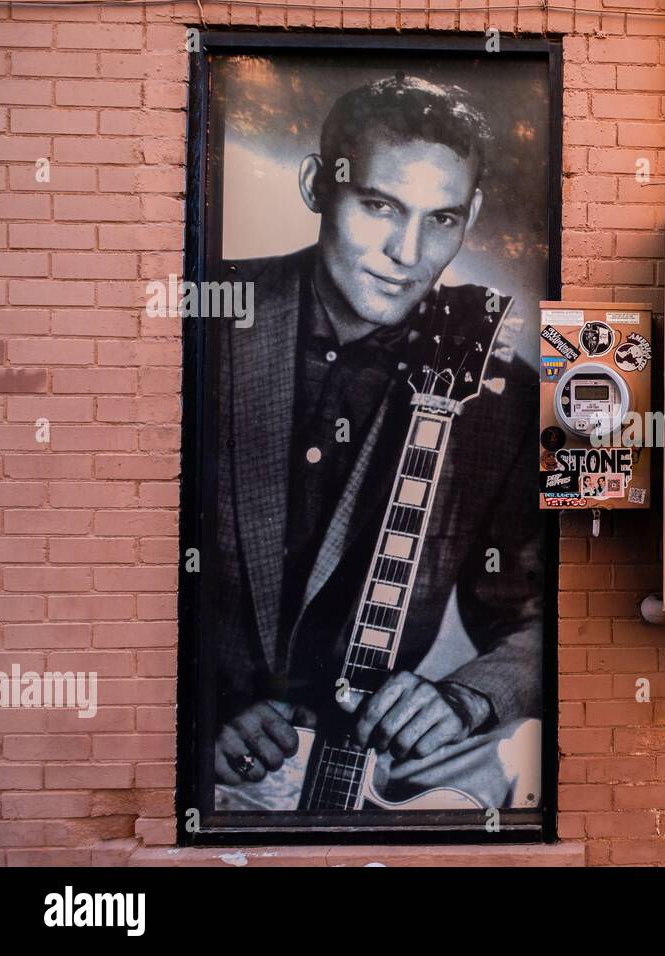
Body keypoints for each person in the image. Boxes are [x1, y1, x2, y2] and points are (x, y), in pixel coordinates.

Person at [208, 75, 542, 811]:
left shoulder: (504, 399)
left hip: (362, 781)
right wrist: (190, 709)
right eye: (379, 205)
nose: (407, 252)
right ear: (316, 186)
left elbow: (540, 617)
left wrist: (464, 701)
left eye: (443, 219)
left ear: (472, 216)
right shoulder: (204, 324)